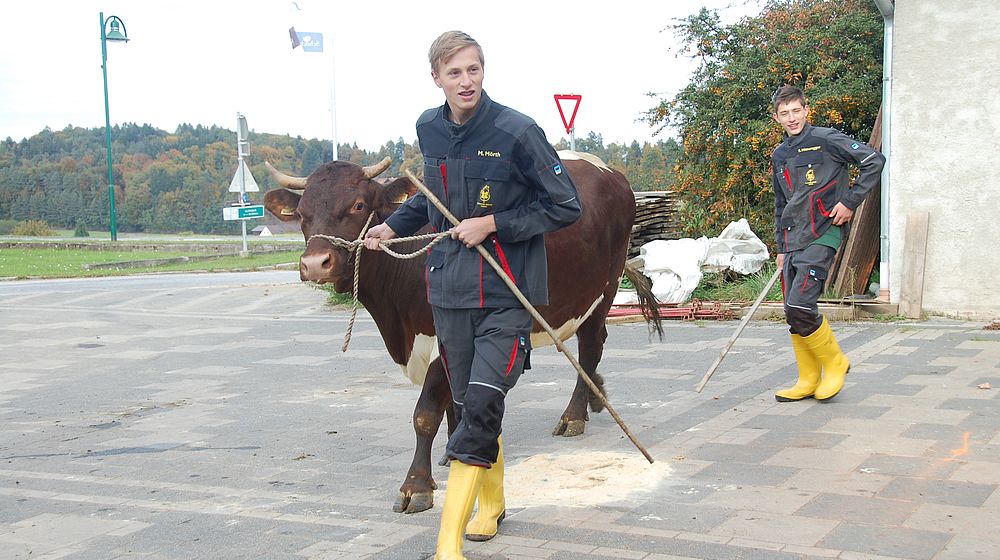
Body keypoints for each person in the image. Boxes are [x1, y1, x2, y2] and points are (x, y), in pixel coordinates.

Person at [363, 30, 581, 559]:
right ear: (436, 77)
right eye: (454, 72)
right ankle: (492, 502)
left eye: (474, 69)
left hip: (506, 294)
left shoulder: (518, 131)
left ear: (484, 71)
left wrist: (495, 223)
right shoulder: (429, 128)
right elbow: (434, 201)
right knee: (467, 404)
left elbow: (564, 206)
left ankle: (446, 547)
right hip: (450, 294)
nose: (466, 81)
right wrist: (392, 226)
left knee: (481, 404)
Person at [770, 85, 885, 403]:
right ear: (777, 117)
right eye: (784, 113)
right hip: (793, 239)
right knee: (792, 313)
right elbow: (782, 204)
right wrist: (781, 247)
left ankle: (835, 363)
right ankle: (807, 379)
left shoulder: (826, 139)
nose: (791, 118)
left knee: (800, 305)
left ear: (806, 110)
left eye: (796, 110)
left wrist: (850, 201)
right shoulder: (780, 155)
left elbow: (873, 160)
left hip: (824, 232)